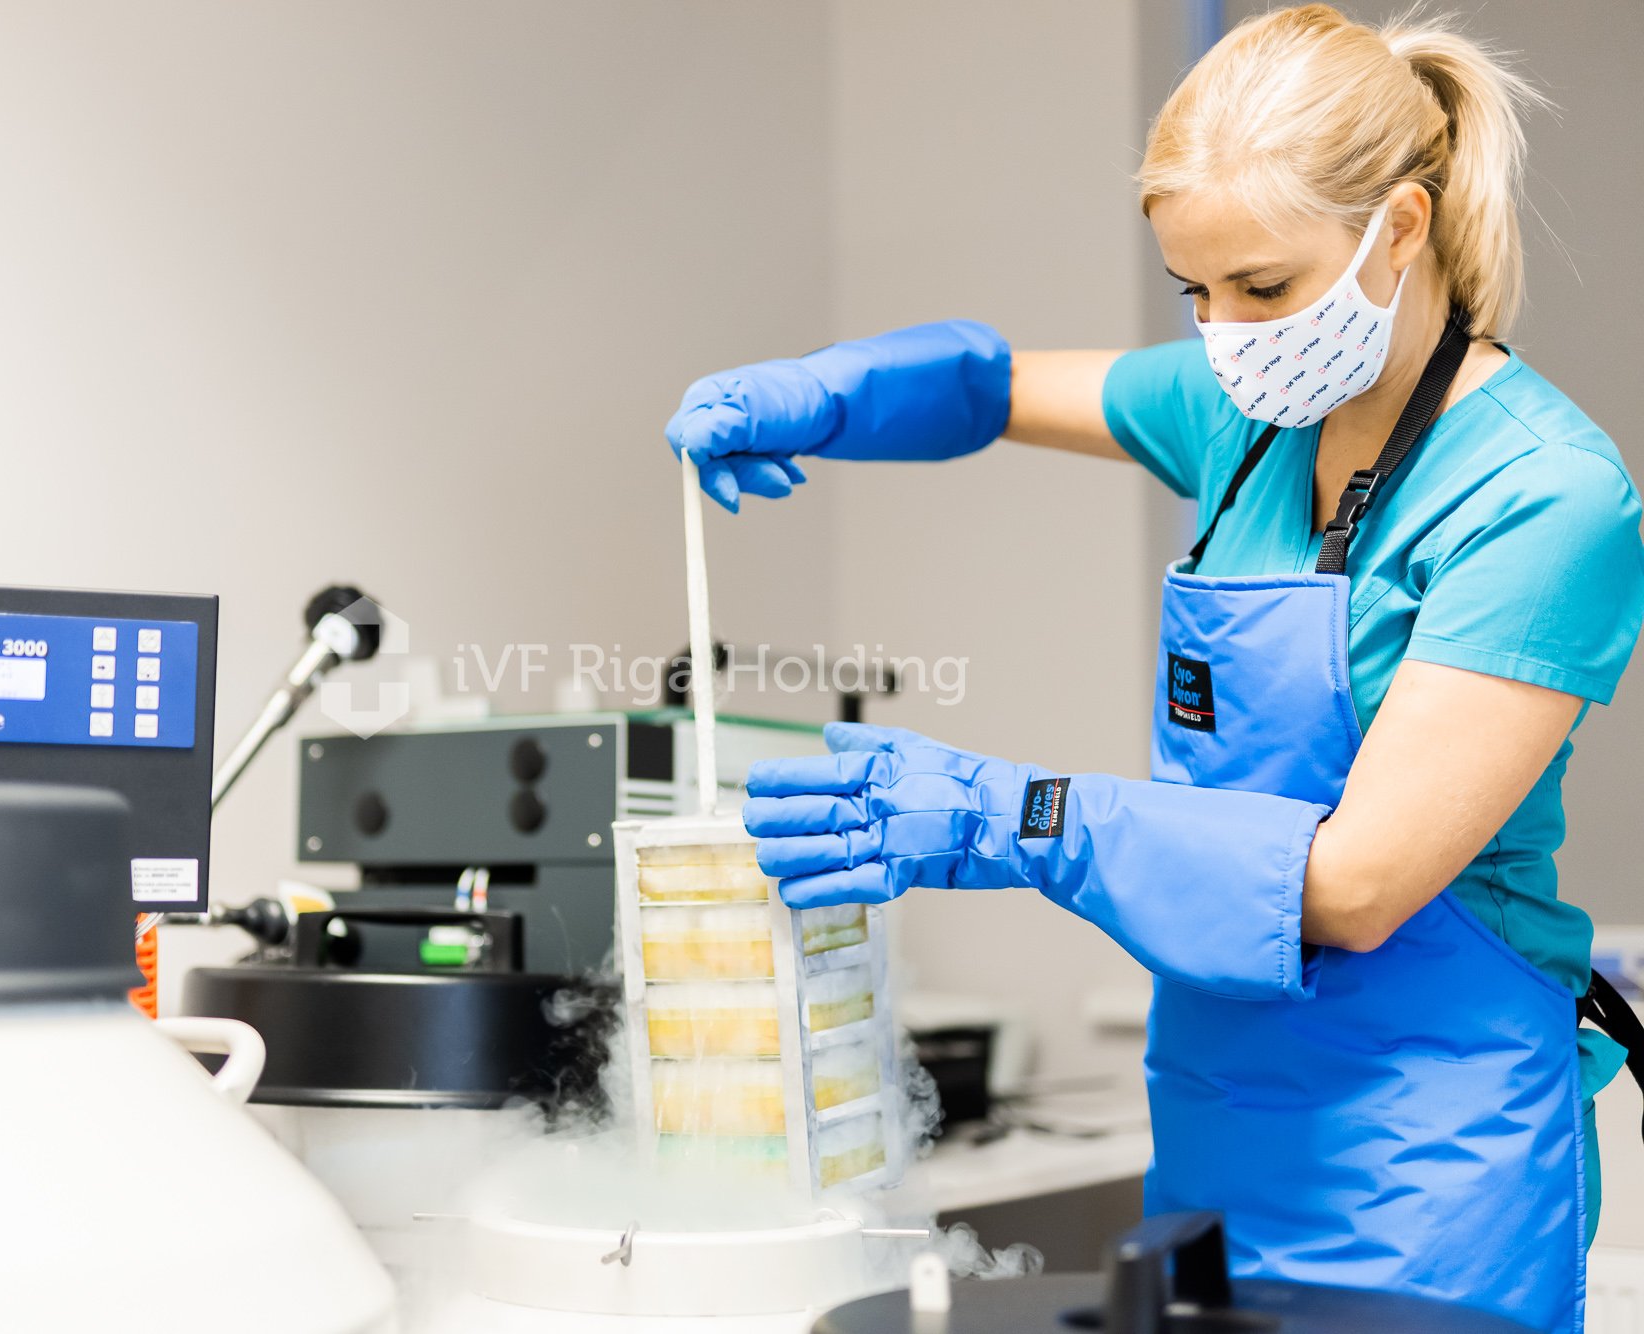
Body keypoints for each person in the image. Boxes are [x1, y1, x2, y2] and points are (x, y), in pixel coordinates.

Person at [662, 7, 1644, 1332]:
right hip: (1214, 1131)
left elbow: (1356, 886)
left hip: (1429, 1158)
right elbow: (992, 390)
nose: (1225, 334)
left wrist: (1011, 815)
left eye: (1264, 289)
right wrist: (829, 395)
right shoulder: (1250, 422)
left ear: (1401, 228)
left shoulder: (1544, 499)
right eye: (1195, 291)